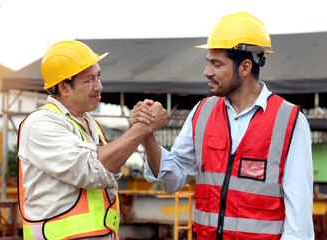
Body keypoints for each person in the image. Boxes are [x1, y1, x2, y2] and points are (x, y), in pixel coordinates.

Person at [131, 12, 314, 239]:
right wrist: (147, 132)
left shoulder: (290, 121)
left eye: (216, 64)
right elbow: (171, 179)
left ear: (245, 67)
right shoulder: (202, 111)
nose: (207, 72)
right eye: (208, 62)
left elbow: (300, 218)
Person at [17, 40, 166, 240]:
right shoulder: (41, 124)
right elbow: (93, 170)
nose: (99, 86)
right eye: (89, 80)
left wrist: (140, 128)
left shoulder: (90, 124)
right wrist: (143, 126)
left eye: (99, 76)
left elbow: (106, 167)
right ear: (64, 87)